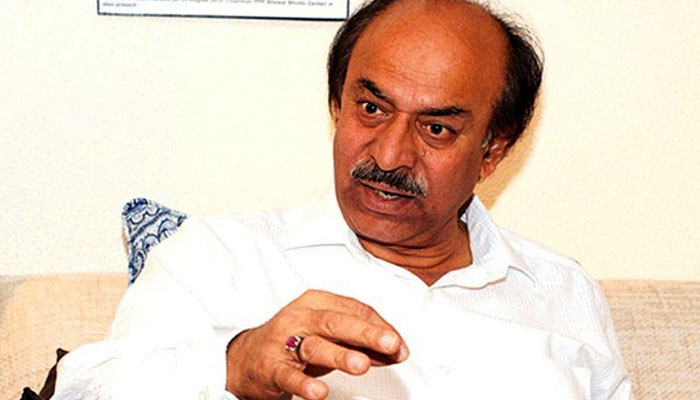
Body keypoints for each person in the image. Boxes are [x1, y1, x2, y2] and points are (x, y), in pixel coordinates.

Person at [54, 0, 632, 399]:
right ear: (337, 104)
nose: (389, 155)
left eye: (435, 129)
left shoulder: (562, 291)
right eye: (371, 108)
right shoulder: (220, 257)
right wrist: (235, 365)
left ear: (492, 151)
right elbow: (88, 390)